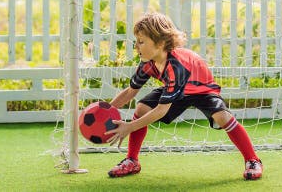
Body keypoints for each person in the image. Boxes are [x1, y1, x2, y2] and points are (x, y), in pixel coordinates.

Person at [104, 12, 263, 180]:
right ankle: (132, 160)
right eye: (137, 41)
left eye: (141, 42)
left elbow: (161, 110)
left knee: (222, 117)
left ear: (160, 43)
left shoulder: (177, 67)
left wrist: (130, 127)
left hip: (202, 89)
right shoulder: (147, 63)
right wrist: (104, 110)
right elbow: (130, 91)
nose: (136, 46)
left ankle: (253, 160)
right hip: (176, 88)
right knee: (142, 108)